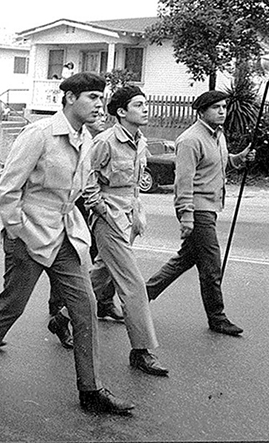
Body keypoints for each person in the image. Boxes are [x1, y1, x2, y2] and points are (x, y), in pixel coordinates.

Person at [0, 72, 135, 417]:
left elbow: (78, 190)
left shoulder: (87, 138)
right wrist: (18, 231)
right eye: (91, 97)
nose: (98, 104)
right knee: (11, 305)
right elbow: (9, 190)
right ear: (69, 98)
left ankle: (91, 389)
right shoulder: (39, 134)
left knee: (84, 307)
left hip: (66, 235)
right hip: (30, 234)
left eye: (101, 98)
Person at [145, 90, 254, 336]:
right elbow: (183, 181)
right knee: (212, 267)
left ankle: (140, 297)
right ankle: (218, 318)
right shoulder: (190, 140)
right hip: (197, 208)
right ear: (201, 111)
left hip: (211, 207)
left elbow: (219, 162)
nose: (223, 111)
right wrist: (186, 215)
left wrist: (239, 159)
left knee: (185, 259)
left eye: (224, 107)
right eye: (216, 107)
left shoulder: (217, 134)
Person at [85, 85, 168, 376]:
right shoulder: (105, 142)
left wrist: (135, 215)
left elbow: (134, 183)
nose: (145, 109)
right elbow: (88, 186)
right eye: (138, 104)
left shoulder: (139, 140)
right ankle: (141, 350)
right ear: (121, 111)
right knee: (133, 284)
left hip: (129, 216)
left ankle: (61, 317)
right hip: (109, 219)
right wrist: (104, 214)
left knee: (102, 273)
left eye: (145, 104)